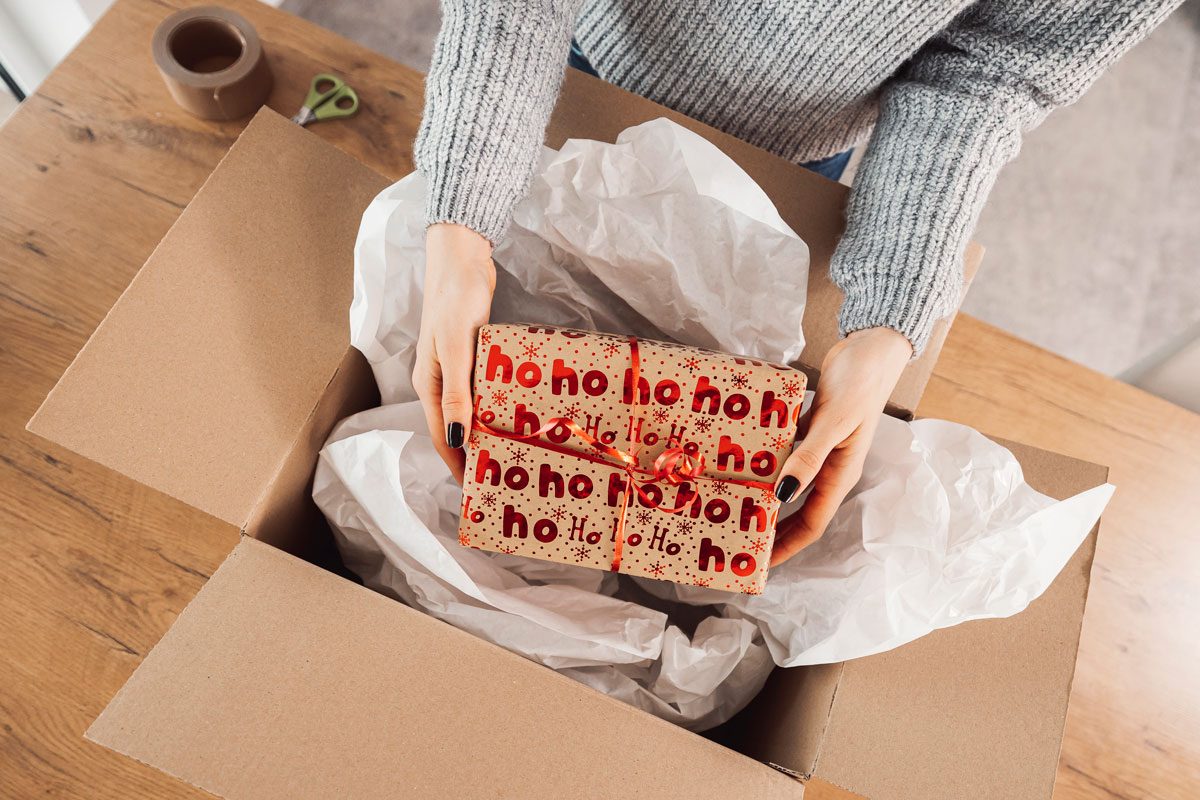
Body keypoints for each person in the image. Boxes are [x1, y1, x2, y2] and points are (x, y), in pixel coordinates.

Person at [412, 0, 1179, 565]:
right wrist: (462, 222)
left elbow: (989, 72)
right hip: (572, 50)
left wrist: (884, 327)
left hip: (795, 157)